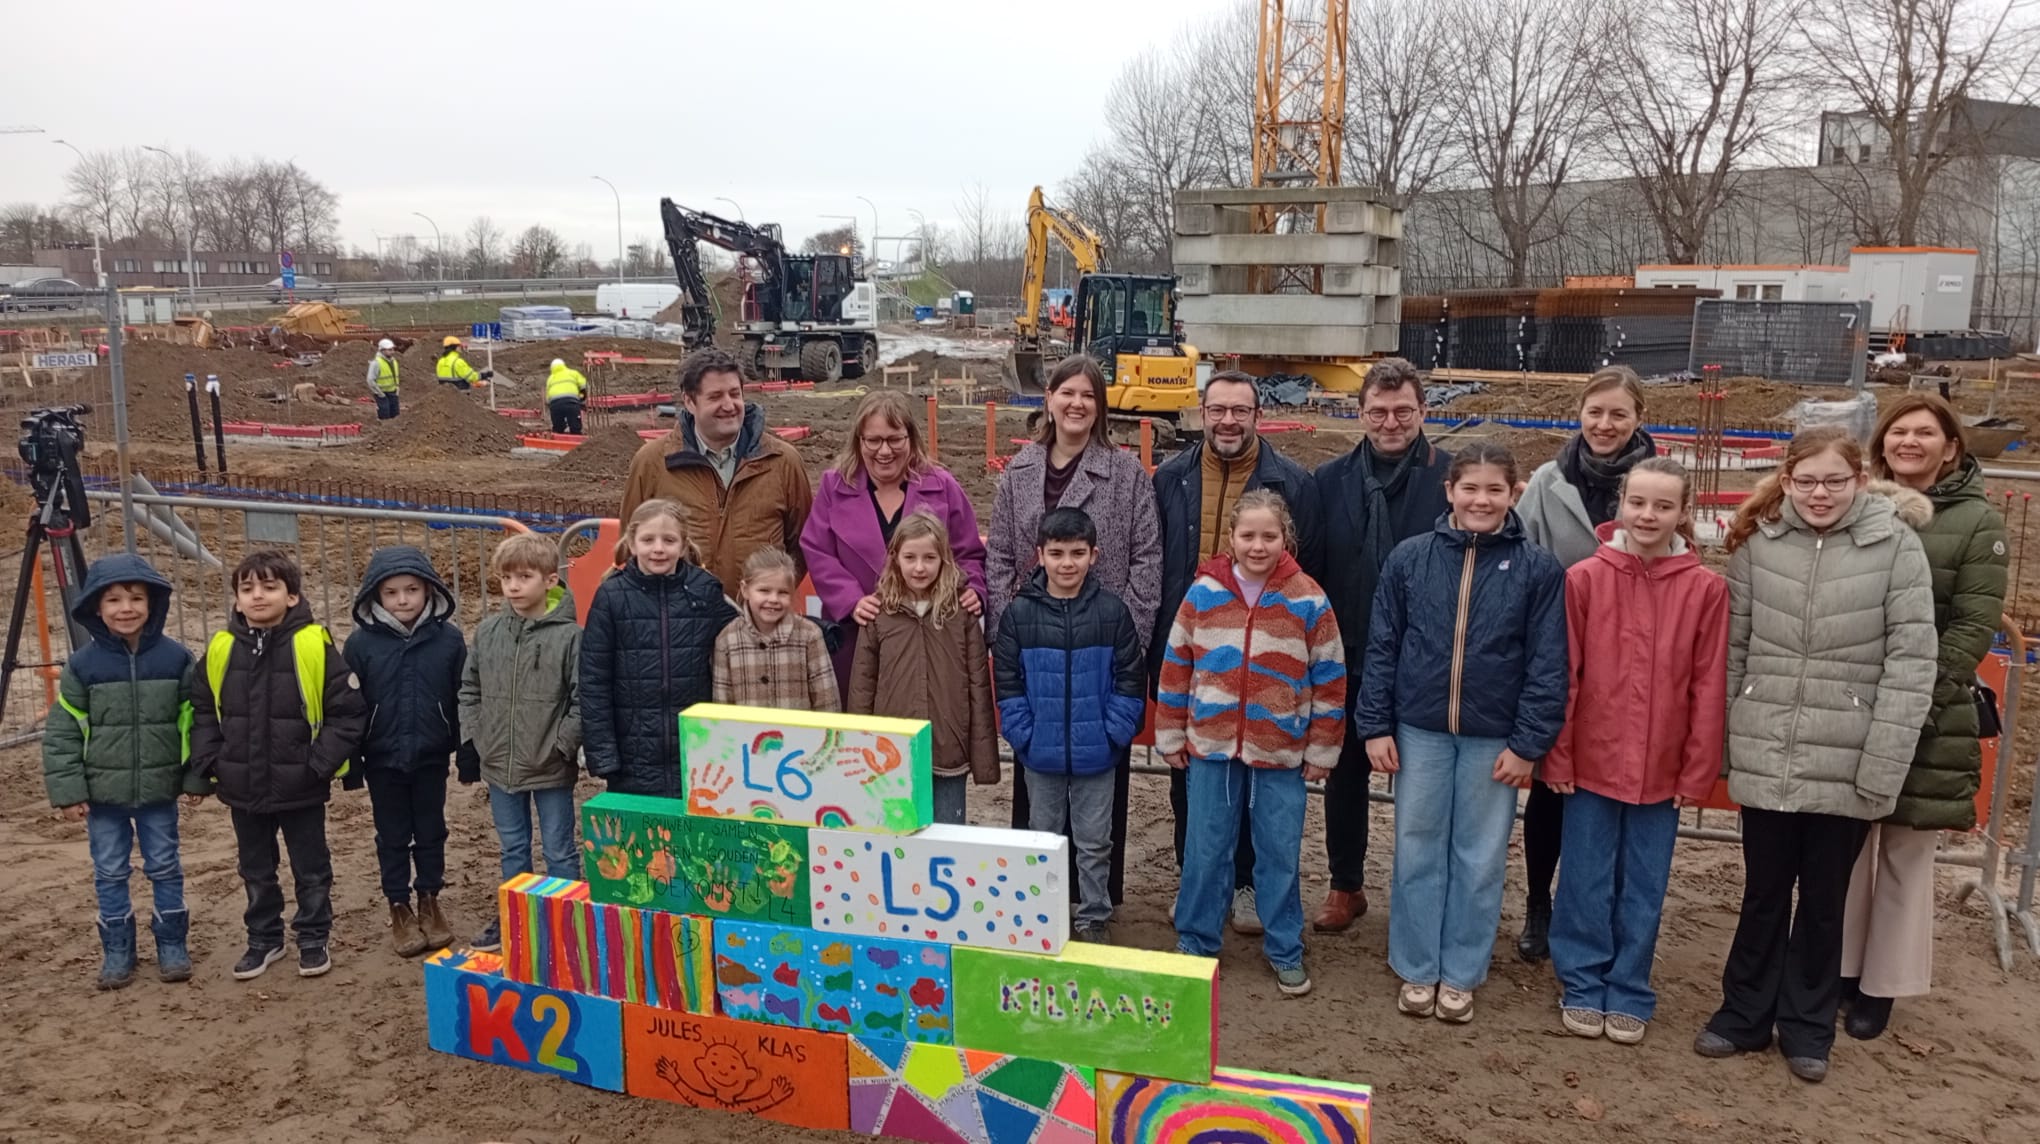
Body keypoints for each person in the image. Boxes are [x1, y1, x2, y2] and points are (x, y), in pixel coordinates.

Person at [1695, 426, 1936, 1083]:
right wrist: (1728, 741)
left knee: (1826, 900)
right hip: (1769, 744)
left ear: (1859, 480)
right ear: (1787, 481)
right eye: (1806, 481)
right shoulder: (1759, 545)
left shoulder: (1896, 548)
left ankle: (1806, 1024)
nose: (1819, 493)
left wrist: (1883, 759)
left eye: (1834, 481)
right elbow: (1735, 649)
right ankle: (1742, 1014)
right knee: (1763, 893)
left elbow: (1911, 661)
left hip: (1848, 754)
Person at [1354, 441, 1568, 1025]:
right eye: (1469, 488)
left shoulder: (1537, 570)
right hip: (1420, 729)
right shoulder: (1411, 559)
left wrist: (1527, 743)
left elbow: (1548, 663)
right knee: (1417, 847)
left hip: (1492, 738)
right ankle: (1417, 964)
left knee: (1480, 856)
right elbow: (1383, 646)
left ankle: (1462, 970)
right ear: (1449, 491)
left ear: (1514, 494)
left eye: (1494, 489)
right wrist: (1375, 725)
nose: (1481, 500)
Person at [1543, 458, 1728, 1045]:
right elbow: (1565, 674)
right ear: (1620, 505)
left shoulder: (1705, 589)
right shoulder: (1584, 580)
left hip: (1662, 765)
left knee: (1644, 883)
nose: (1648, 515)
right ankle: (1581, 979)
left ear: (1683, 513)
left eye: (1663, 506)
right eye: (1638, 502)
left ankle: (1628, 985)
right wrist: (1559, 753)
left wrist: (1697, 769)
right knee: (1585, 876)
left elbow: (1708, 684)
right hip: (1592, 760)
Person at [1840, 396, 2007, 1040]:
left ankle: (1882, 984)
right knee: (1845, 847)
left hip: (1927, 709)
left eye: (1925, 433)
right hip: (1854, 699)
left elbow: (1972, 625)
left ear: (1951, 447)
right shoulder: (1858, 505)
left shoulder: (1976, 521)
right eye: (1898, 432)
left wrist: (1917, 698)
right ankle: (1840, 968)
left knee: (1905, 851)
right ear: (1882, 444)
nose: (1909, 442)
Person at [1151, 369, 1323, 937]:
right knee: (1192, 784)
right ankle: (1196, 880)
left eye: (1240, 410)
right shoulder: (1171, 477)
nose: (1228, 421)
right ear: (1201, 413)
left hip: (1265, 659)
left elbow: (1308, 569)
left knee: (1259, 794)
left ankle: (1247, 884)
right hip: (1196, 651)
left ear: (1257, 415)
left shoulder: (1292, 483)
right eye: (1218, 410)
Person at [985, 354, 1160, 903]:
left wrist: (1127, 637)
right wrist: (1010, 632)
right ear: (1049, 400)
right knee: (1036, 799)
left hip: (1100, 658)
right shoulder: (1019, 472)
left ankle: (1096, 906)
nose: (1076, 404)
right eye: (1067, 393)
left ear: (1100, 406)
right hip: (1035, 653)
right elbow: (1000, 556)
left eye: (1088, 395)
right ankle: (1038, 904)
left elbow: (1147, 559)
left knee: (1098, 805)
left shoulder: (1126, 474)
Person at [1158, 490, 1345, 997]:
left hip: (1280, 752)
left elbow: (1330, 678)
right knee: (1205, 849)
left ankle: (1284, 947)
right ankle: (1196, 940)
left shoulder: (1308, 598)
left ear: (1286, 538)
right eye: (1248, 536)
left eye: (1269, 536)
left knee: (1279, 853)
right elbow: (1176, 665)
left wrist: (1322, 748)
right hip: (1212, 748)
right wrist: (1170, 732)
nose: (1258, 546)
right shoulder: (1203, 593)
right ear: (1232, 538)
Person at [1511, 364, 1658, 960]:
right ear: (1579, 415)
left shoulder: (1658, 481)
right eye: (1595, 412)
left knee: (1612, 793)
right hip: (1560, 655)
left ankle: (1593, 909)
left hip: (1634, 664)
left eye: (1618, 413)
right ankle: (1539, 904)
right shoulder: (1549, 483)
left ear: (1639, 418)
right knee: (1551, 789)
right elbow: (1522, 560)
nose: (1605, 424)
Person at [1310, 357, 1453, 932]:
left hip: (1426, 660)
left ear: (1423, 411)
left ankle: (1423, 895)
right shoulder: (1329, 481)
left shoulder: (1451, 480)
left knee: (1425, 785)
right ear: (1360, 413)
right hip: (1348, 652)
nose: (1390, 423)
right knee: (1345, 777)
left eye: (1402, 411)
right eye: (1378, 412)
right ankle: (1346, 884)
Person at [188, 550, 368, 981]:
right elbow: (202, 709)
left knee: (311, 867)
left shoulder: (313, 644)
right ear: (236, 599)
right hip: (241, 784)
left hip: (301, 785)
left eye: (269, 587)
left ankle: (313, 936)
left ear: (291, 596)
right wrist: (214, 760)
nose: (257, 596)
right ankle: (264, 938)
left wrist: (317, 765)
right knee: (255, 869)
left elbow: (348, 713)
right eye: (247, 588)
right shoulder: (221, 647)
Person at [41, 554, 207, 989]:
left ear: (153, 604)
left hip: (159, 791)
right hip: (103, 795)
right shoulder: (82, 666)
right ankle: (117, 949)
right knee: (110, 871)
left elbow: (196, 722)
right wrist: (70, 790)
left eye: (136, 598)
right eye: (113, 600)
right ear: (96, 608)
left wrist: (195, 777)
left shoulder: (176, 659)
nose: (126, 608)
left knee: (165, 865)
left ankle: (172, 944)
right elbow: (63, 733)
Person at [992, 507, 1147, 943]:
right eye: (1057, 553)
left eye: (1077, 553)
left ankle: (1094, 915)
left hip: (1097, 754)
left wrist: (1113, 734)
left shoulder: (1113, 613)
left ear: (1094, 555)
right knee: (1043, 837)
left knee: (1095, 840)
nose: (1067, 563)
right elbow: (1007, 680)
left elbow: (1130, 679)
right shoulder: (1019, 614)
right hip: (1040, 754)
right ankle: (1044, 912)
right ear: (1040, 555)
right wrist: (1023, 734)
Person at [802, 389, 987, 693]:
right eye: (873, 440)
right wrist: (850, 600)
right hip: (857, 633)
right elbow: (817, 549)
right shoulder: (833, 486)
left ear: (911, 438)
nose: (884, 451)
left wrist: (975, 588)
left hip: (927, 635)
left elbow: (968, 552)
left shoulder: (943, 486)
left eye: (894, 439)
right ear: (859, 441)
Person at [458, 532, 582, 954]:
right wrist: (477, 735)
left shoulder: (570, 637)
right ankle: (515, 916)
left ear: (550, 580)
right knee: (513, 847)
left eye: (524, 577)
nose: (513, 586)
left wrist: (562, 745)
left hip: (550, 764)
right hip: (500, 764)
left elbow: (582, 699)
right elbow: (469, 688)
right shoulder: (489, 632)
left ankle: (566, 922)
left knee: (559, 849)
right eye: (506, 578)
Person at [341, 546, 466, 958]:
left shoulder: (449, 641)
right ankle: (398, 905)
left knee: (431, 831)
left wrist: (465, 751)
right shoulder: (360, 645)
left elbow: (462, 698)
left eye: (411, 589)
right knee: (392, 835)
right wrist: (352, 763)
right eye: (391, 592)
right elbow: (349, 707)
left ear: (429, 589)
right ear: (375, 595)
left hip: (431, 755)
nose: (403, 600)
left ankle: (430, 898)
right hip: (382, 760)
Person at [621, 347, 814, 599]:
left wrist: (768, 598)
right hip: (680, 619)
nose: (729, 405)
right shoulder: (652, 463)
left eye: (735, 394)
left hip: (753, 619)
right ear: (690, 401)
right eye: (715, 397)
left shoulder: (783, 462)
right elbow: (631, 541)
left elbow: (803, 544)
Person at [849, 510, 999, 825]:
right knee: (898, 835)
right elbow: (863, 685)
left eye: (929, 558)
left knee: (948, 836)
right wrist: (861, 748)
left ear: (944, 559)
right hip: (892, 752)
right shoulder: (879, 612)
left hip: (949, 749)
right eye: (910, 557)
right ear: (895, 558)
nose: (919, 567)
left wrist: (983, 758)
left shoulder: (961, 611)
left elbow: (978, 684)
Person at [581, 498, 737, 798]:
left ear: (683, 544)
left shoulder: (705, 590)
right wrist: (603, 753)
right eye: (648, 540)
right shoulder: (611, 596)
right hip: (633, 752)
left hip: (696, 746)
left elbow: (744, 634)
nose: (658, 549)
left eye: (669, 540)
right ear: (632, 543)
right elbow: (593, 679)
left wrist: (815, 630)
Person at [713, 546, 840, 712]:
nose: (773, 599)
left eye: (783, 592)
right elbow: (722, 706)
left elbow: (827, 702)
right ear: (745, 590)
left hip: (798, 729)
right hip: (746, 730)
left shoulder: (810, 635)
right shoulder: (726, 640)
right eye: (764, 591)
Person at [546, 357, 589, 435]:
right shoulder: (573, 373)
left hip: (555, 405)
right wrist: (581, 399)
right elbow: (584, 385)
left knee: (558, 428)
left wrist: (551, 407)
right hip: (571, 403)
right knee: (575, 426)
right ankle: (576, 436)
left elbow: (547, 398)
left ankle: (558, 434)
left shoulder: (550, 378)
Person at [367, 338, 402, 420]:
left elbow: (395, 376)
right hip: (382, 393)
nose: (392, 351)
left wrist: (397, 387)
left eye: (392, 349)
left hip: (393, 392)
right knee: (384, 414)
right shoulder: (376, 363)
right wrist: (379, 393)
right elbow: (370, 380)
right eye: (389, 350)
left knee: (395, 415)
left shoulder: (393, 361)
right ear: (382, 350)